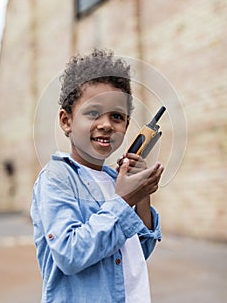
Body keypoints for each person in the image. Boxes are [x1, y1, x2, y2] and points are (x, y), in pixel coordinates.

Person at [31, 49, 164, 303]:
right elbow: (70, 254)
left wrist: (142, 198)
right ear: (66, 120)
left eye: (117, 116)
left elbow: (138, 253)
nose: (106, 124)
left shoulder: (116, 179)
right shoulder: (57, 178)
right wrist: (124, 201)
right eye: (93, 113)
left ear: (126, 125)